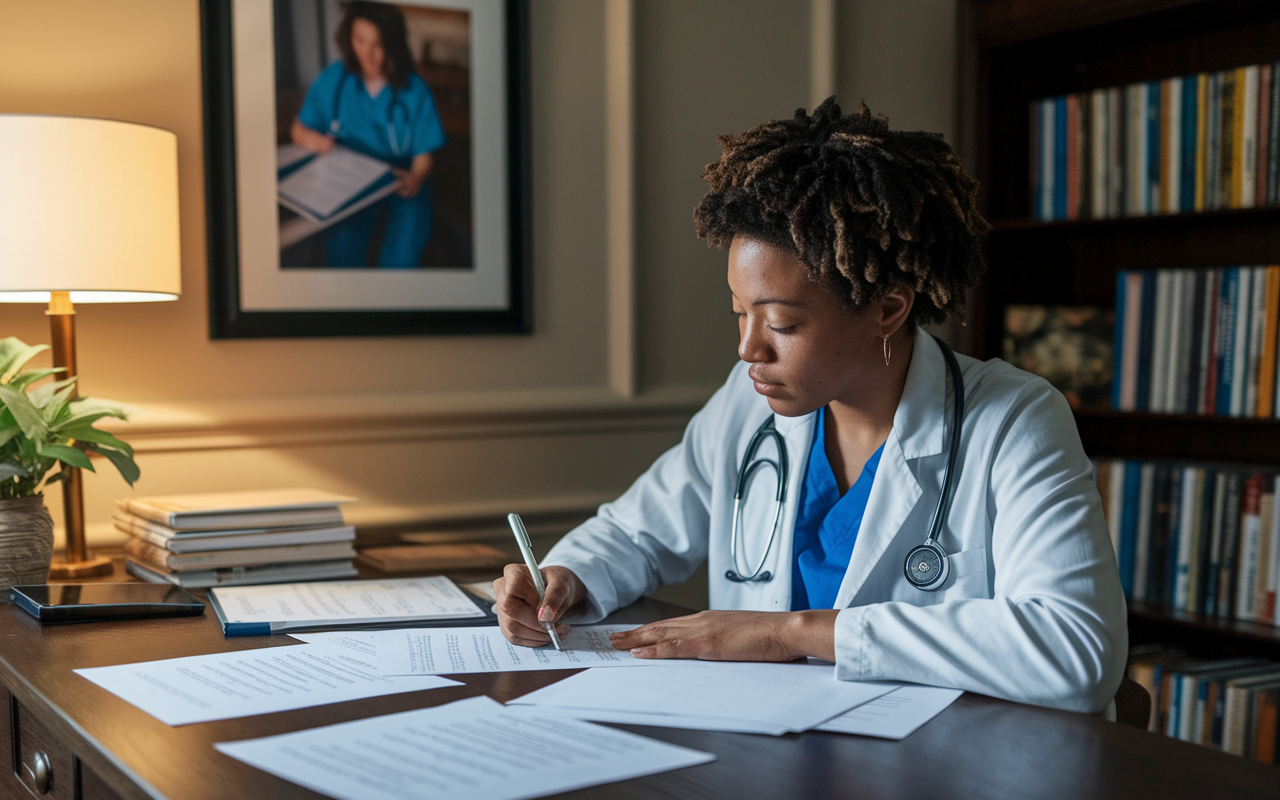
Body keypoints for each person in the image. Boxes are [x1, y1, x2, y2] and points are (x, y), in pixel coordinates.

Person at [493, 99, 1128, 714]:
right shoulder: (749, 407)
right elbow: (638, 531)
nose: (747, 349)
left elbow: (1077, 651)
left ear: (887, 309)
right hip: (768, 748)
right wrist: (567, 579)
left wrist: (792, 633)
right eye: (740, 313)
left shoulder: (1015, 420)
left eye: (781, 325)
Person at [291, 1, 445, 268]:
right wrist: (312, 140)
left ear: (394, 44)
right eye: (360, 41)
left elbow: (424, 156)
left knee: (404, 252)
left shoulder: (415, 90)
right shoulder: (334, 78)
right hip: (349, 181)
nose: (367, 54)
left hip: (400, 180)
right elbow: (298, 129)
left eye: (378, 45)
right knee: (341, 243)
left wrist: (417, 176)